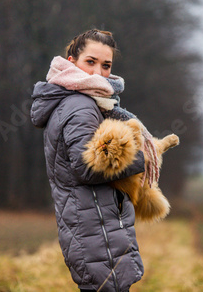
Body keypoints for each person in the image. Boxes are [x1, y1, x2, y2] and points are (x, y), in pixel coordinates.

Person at [31, 29, 145, 291]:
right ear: (71, 62)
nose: (98, 73)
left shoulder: (86, 101)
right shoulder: (80, 105)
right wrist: (139, 158)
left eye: (106, 66)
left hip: (93, 224)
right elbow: (86, 167)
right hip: (95, 228)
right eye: (90, 62)